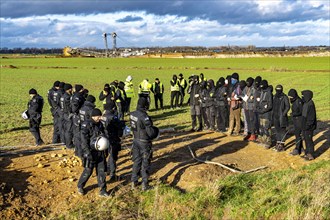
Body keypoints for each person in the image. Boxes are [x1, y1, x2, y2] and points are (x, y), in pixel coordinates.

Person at [77, 108, 110, 197]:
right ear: (93, 116)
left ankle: (103, 190)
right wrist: (87, 153)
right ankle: (80, 186)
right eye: (98, 116)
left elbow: (104, 135)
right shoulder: (86, 125)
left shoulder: (100, 124)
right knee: (88, 170)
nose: (99, 118)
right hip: (91, 152)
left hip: (100, 151)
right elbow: (84, 141)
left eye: (100, 116)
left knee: (101, 171)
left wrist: (106, 149)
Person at [130, 95, 159, 191]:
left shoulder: (132, 114)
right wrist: (156, 131)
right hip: (144, 142)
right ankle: (145, 185)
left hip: (135, 140)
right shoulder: (145, 117)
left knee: (136, 161)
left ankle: (134, 182)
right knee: (145, 162)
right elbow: (150, 133)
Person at [102, 110, 125, 181]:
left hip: (104, 139)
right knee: (113, 156)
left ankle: (107, 170)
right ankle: (112, 175)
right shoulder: (113, 117)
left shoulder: (102, 117)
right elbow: (119, 127)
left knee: (107, 156)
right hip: (113, 139)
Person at [256, 80, 273, 148]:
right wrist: (259, 109)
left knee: (267, 128)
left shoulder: (269, 93)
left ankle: (268, 142)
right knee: (262, 128)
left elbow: (270, 105)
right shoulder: (262, 91)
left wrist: (263, 110)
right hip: (261, 113)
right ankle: (263, 141)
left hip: (266, 114)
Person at [272, 85, 290, 152]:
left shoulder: (284, 97)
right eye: (277, 89)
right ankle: (278, 143)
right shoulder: (274, 96)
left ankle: (282, 145)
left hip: (282, 117)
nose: (278, 91)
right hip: (275, 116)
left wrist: (283, 114)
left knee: (282, 131)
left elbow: (288, 107)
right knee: (277, 130)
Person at [301, 90, 317, 160]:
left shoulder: (310, 104)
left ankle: (311, 155)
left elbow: (311, 118)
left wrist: (307, 126)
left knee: (309, 140)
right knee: (306, 140)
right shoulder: (306, 103)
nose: (302, 97)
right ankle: (307, 153)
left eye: (303, 96)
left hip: (309, 127)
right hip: (305, 126)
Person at [288, 89, 304, 156]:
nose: (290, 98)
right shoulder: (294, 101)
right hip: (296, 120)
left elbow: (301, 112)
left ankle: (297, 149)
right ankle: (301, 148)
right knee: (297, 135)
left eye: (291, 97)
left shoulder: (299, 101)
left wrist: (294, 114)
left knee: (298, 135)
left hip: (299, 121)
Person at [71, 84, 86, 155]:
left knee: (77, 134)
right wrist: (79, 112)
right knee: (78, 134)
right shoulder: (78, 96)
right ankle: (79, 152)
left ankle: (77, 151)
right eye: (82, 89)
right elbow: (74, 108)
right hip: (78, 117)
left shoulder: (75, 95)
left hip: (76, 116)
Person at [60, 83, 74, 149]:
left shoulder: (62, 96)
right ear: (69, 89)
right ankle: (69, 145)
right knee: (69, 130)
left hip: (63, 114)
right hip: (68, 115)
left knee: (65, 129)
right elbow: (69, 107)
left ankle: (65, 142)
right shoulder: (68, 97)